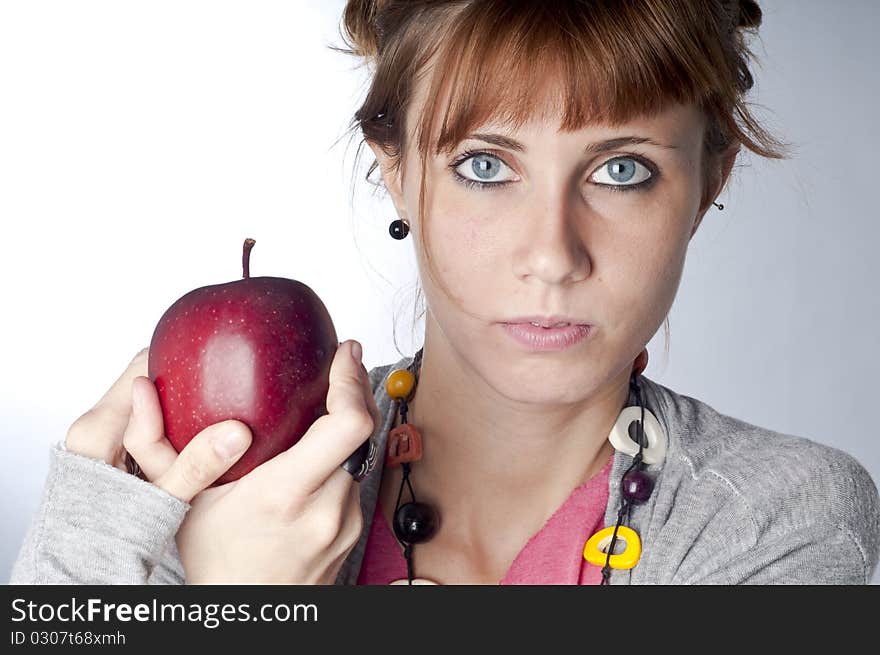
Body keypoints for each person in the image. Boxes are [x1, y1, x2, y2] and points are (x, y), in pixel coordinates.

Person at [10, 0, 880, 586]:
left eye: (623, 169)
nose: (550, 255)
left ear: (706, 179)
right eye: (484, 165)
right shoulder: (164, 494)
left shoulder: (781, 520)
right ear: (395, 174)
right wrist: (104, 547)